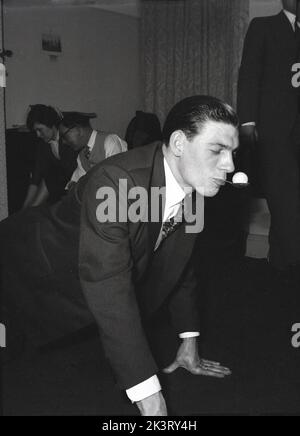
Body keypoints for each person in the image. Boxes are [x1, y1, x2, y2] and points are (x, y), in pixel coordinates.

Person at [1, 95, 238, 416]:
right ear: (180, 143)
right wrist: (151, 398)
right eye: (217, 150)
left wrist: (188, 339)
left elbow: (180, 265)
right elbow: (109, 283)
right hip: (21, 263)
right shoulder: (117, 182)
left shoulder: (193, 192)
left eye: (232, 152)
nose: (231, 166)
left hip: (70, 276)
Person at [237, 0, 300, 284]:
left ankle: (279, 261)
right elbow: (249, 73)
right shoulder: (263, 27)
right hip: (275, 132)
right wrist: (248, 122)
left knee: (290, 202)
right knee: (282, 197)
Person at [23, 104, 78, 208]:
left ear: (52, 125)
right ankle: (28, 211)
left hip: (74, 185)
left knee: (52, 173)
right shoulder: (43, 145)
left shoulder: (69, 138)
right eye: (36, 131)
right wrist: (25, 206)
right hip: (56, 190)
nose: (38, 135)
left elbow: (70, 171)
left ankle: (32, 209)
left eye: (40, 130)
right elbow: (36, 176)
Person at [59, 111, 127, 187]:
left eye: (64, 136)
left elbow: (116, 178)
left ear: (79, 130)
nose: (63, 142)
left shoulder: (109, 142)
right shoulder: (82, 156)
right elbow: (75, 181)